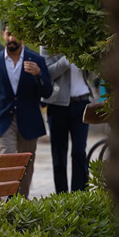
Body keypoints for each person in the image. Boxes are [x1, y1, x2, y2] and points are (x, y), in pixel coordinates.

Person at [0, 26, 52, 198]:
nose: (12, 38)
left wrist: (39, 74)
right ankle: (7, 205)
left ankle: (21, 203)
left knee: (25, 166)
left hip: (29, 121)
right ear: (3, 35)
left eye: (16, 34)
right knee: (6, 163)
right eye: (9, 34)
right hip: (4, 120)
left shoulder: (36, 60)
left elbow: (47, 92)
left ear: (23, 36)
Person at [40, 49, 95, 193]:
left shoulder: (82, 43)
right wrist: (66, 60)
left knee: (79, 152)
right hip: (57, 105)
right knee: (59, 155)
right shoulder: (48, 42)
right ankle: (62, 197)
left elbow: (94, 72)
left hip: (82, 102)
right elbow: (47, 73)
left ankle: (80, 196)